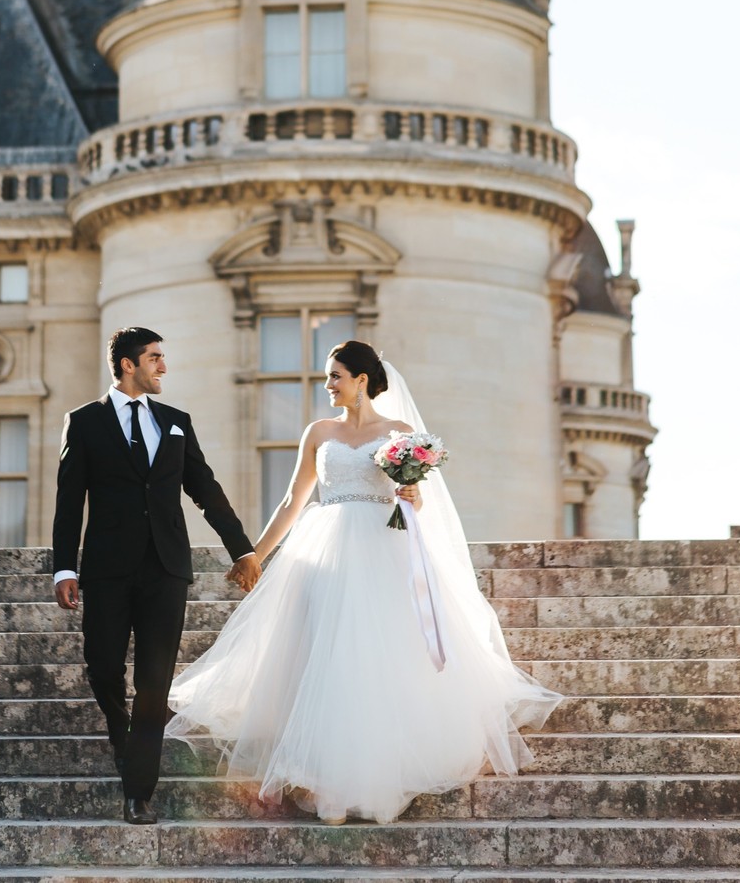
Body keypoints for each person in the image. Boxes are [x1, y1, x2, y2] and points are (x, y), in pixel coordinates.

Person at [166, 339, 562, 825]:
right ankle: (326, 783)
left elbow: (417, 505)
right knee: (323, 657)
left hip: (382, 550)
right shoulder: (318, 432)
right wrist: (255, 556)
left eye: (335, 375)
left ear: (360, 380)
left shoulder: (399, 434)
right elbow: (293, 500)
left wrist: (411, 493)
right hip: (325, 549)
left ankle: (376, 782)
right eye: (327, 376)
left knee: (377, 661)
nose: (327, 384)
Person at [51, 326, 259, 824]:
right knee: (102, 667)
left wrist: (242, 550)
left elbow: (205, 490)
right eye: (154, 357)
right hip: (106, 570)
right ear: (127, 364)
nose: (163, 366)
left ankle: (137, 790)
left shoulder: (176, 422)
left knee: (153, 683)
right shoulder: (83, 422)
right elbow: (68, 500)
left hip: (166, 569)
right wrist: (64, 566)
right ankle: (120, 730)